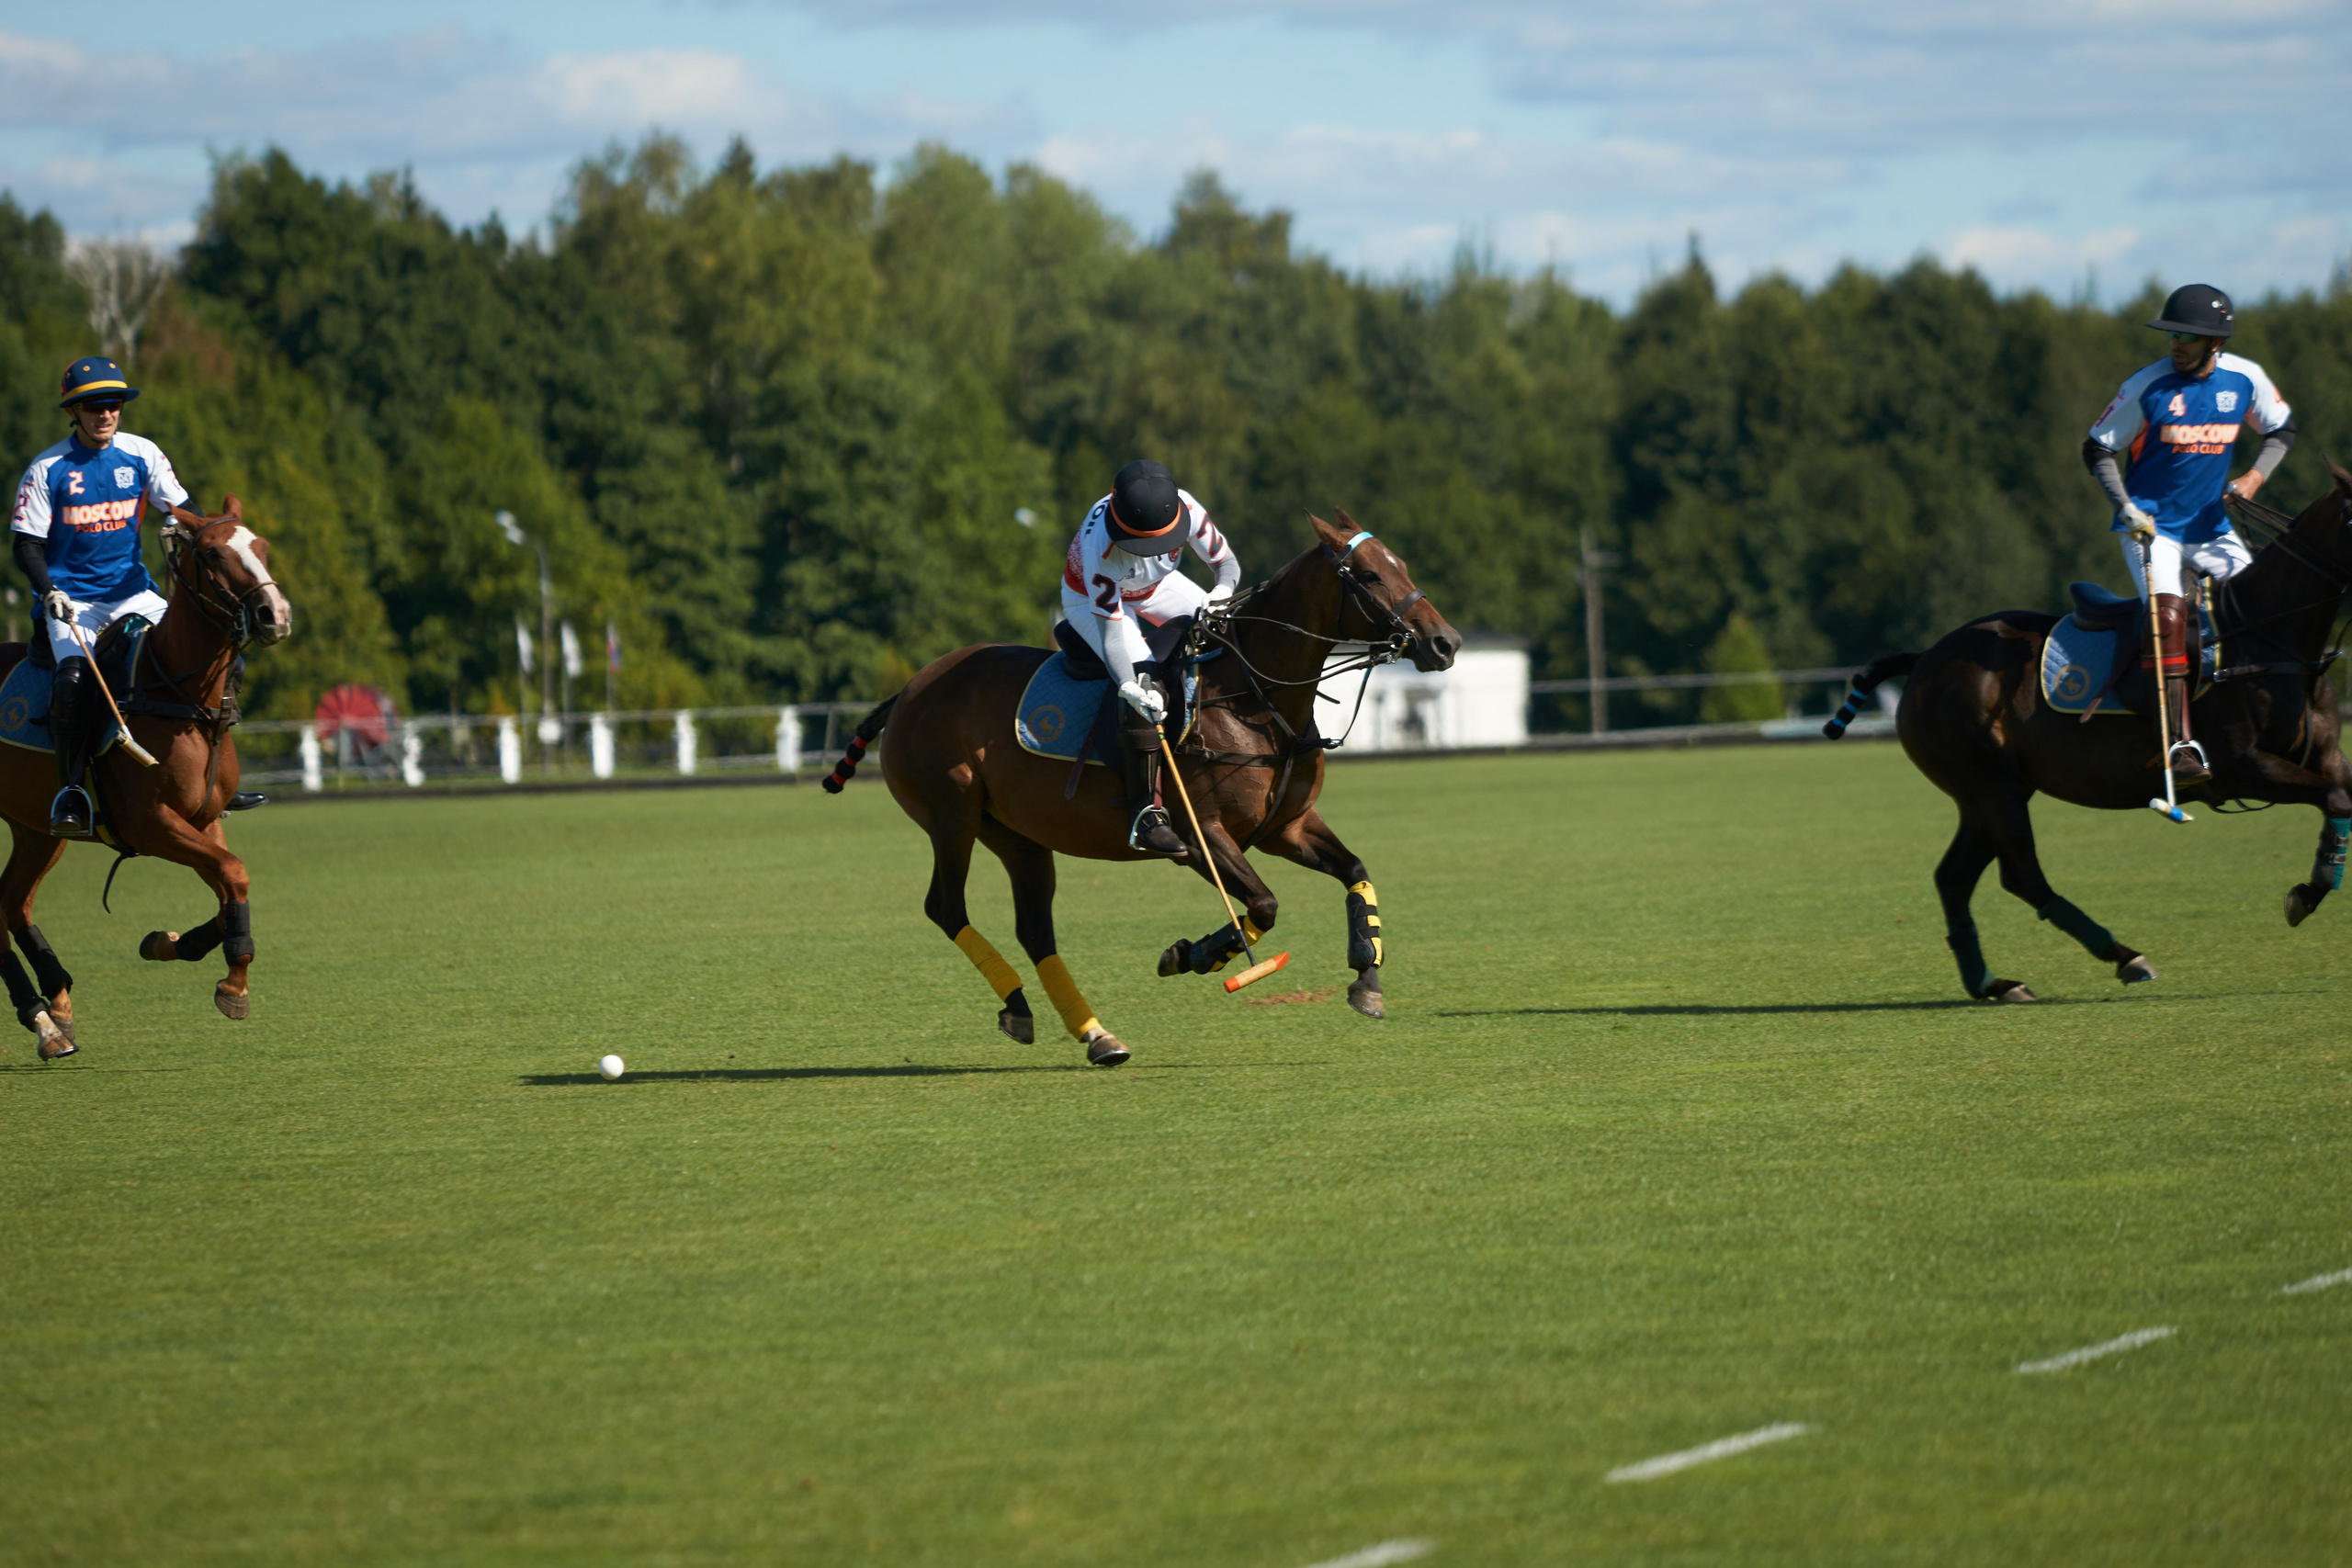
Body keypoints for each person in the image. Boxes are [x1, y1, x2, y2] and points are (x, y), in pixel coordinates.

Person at [2084, 284, 2297, 788]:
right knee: (2167, 616)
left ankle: (2270, 720)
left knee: (2262, 608)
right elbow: (2097, 449)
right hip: (2153, 528)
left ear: (2214, 343)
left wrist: (2253, 478)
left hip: (2211, 528)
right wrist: (2127, 507)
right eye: (2172, 333)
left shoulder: (2246, 380)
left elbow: (2281, 429)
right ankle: (2179, 744)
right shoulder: (2148, 386)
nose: (2175, 343)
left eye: (2187, 335)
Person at [10, 356, 198, 836]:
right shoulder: (47, 468)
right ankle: (71, 789)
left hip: (134, 594)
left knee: (202, 653)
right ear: (73, 411)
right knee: (72, 683)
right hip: (74, 603)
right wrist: (48, 590)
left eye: (113, 404)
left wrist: (181, 523)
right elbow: (26, 544)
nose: (106, 414)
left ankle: (213, 776)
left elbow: (182, 506)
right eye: (93, 406)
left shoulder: (141, 453)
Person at [1059, 458, 1241, 857]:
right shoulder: (1101, 550)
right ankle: (1145, 815)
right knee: (1145, 681)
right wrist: (1129, 685)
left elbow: (1226, 565)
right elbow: (1113, 639)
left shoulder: (1187, 509)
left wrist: (1222, 593)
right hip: (1092, 604)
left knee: (1234, 632)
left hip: (1156, 587)